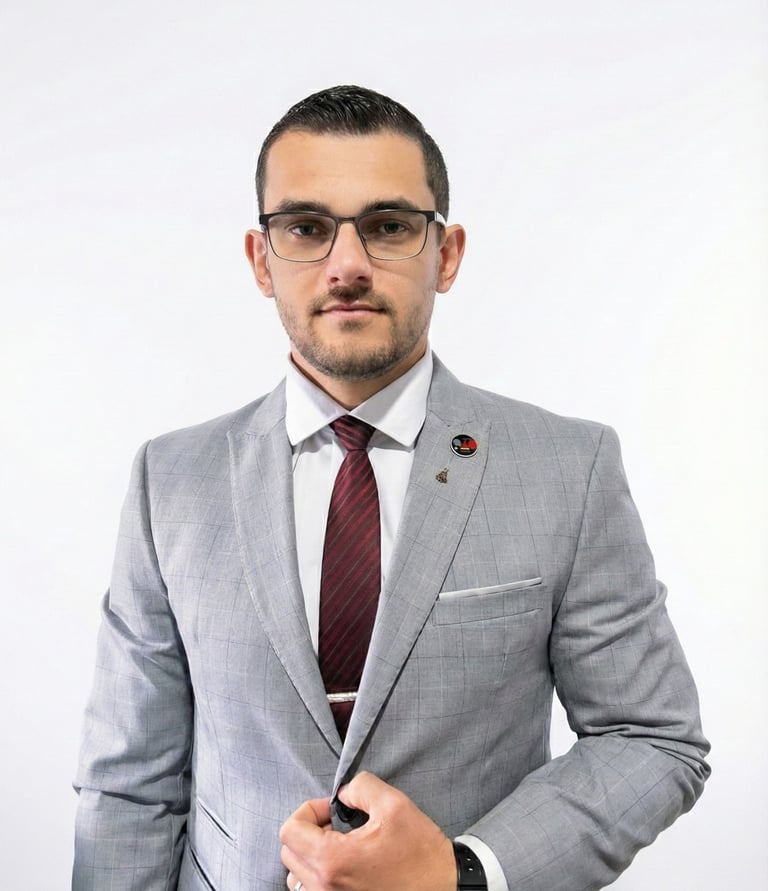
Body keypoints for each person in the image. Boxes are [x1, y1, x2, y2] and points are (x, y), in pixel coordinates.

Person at [73, 85, 710, 891]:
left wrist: (460, 870)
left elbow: (649, 736)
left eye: (388, 226)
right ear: (261, 260)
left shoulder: (568, 468)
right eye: (306, 228)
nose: (347, 265)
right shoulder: (169, 482)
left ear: (446, 254)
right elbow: (130, 785)